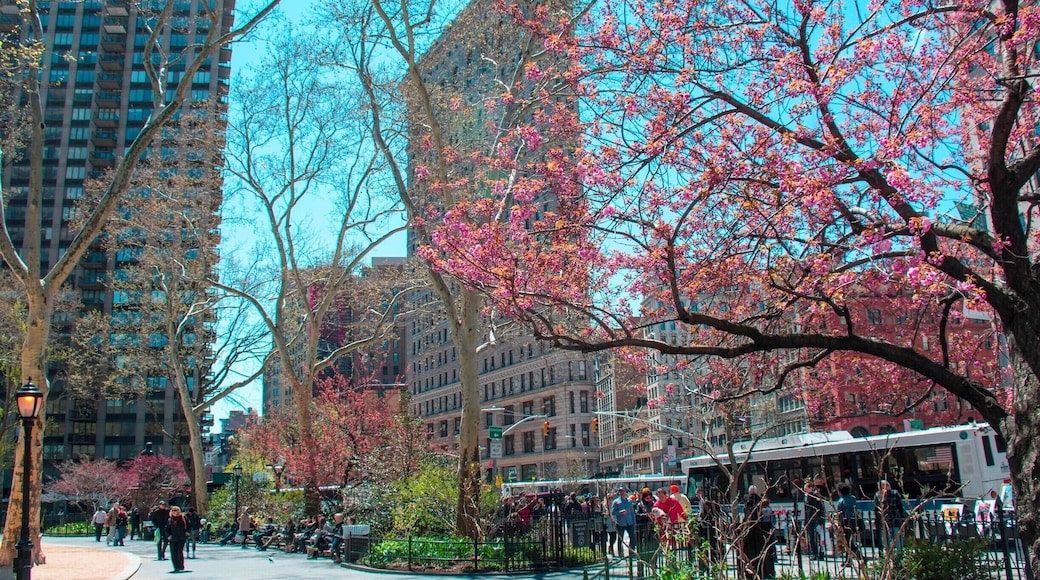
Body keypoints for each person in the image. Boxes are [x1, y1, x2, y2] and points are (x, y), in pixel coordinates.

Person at [742, 485, 775, 579]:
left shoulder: (748, 501)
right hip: (762, 527)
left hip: (752, 528)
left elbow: (747, 514)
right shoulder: (760, 500)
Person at [872, 480, 907, 554]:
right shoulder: (878, 495)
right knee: (886, 543)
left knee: (897, 542)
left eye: (886, 485)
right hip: (883, 523)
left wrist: (902, 519)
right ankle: (888, 558)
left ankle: (899, 559)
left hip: (894, 521)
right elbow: (875, 508)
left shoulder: (894, 493)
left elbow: (900, 506)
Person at [835, 483, 862, 567]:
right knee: (849, 541)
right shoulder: (853, 498)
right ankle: (848, 560)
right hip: (854, 522)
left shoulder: (841, 501)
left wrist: (838, 525)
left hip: (845, 523)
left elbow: (839, 513)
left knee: (847, 542)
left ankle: (859, 556)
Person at [697, 487, 722, 570]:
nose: (696, 496)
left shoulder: (705, 502)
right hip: (705, 525)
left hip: (709, 525)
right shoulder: (702, 502)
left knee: (712, 543)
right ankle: (707, 563)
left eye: (698, 493)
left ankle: (713, 562)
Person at [611, 486, 636, 556]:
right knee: (620, 539)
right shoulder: (616, 502)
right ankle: (620, 553)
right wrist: (620, 512)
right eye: (620, 491)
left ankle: (631, 552)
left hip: (629, 522)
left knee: (632, 537)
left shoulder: (629, 501)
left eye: (623, 491)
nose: (622, 492)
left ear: (625, 492)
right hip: (620, 523)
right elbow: (613, 512)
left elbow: (632, 512)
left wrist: (634, 522)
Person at [803, 481, 825, 559]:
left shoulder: (816, 497)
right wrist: (805, 522)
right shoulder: (806, 497)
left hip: (817, 519)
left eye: (806, 488)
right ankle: (814, 553)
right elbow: (806, 510)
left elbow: (821, 508)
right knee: (811, 537)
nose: (805, 490)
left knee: (820, 537)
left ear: (811, 488)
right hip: (809, 519)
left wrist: (821, 520)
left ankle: (821, 552)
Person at [166, 505, 189, 573]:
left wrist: (187, 532)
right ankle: (175, 566)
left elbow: (188, 525)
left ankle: (180, 566)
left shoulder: (183, 518)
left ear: (178, 511)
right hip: (173, 538)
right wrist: (169, 535)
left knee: (179, 551)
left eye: (175, 510)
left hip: (181, 537)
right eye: (173, 510)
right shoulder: (170, 519)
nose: (174, 512)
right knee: (173, 552)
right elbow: (167, 529)